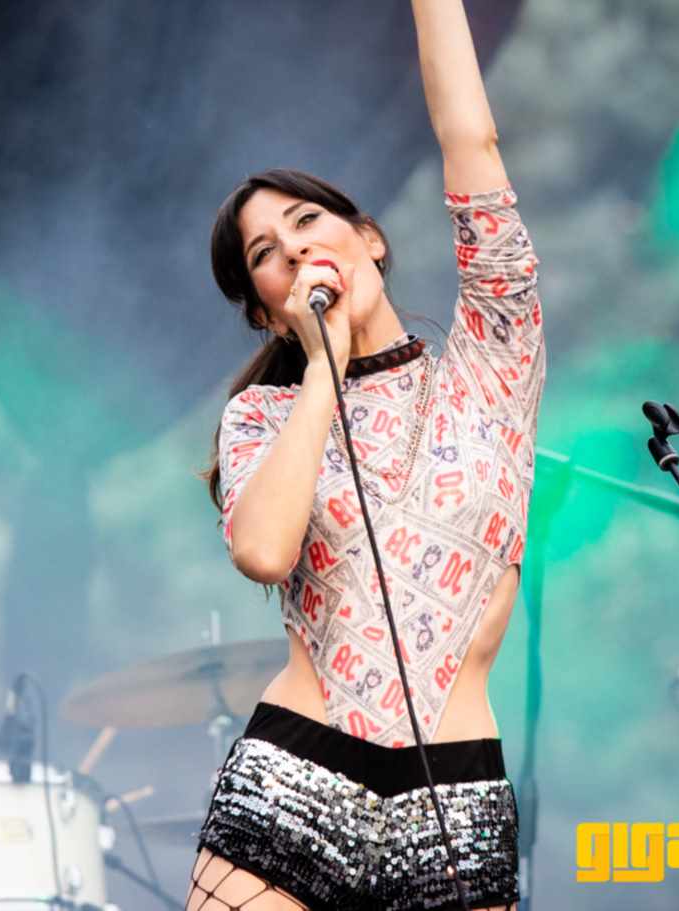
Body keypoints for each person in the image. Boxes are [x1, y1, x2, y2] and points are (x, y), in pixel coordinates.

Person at [190, 2, 545, 909]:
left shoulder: (491, 364)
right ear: (268, 311)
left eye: (308, 219)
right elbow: (263, 551)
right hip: (294, 778)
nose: (297, 247)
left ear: (370, 238)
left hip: (452, 798)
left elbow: (472, 143)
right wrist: (323, 363)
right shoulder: (263, 416)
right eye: (267, 253)